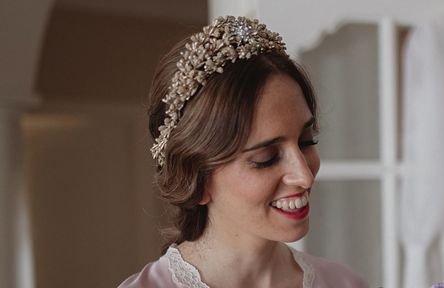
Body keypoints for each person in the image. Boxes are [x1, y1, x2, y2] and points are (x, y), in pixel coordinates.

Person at [118, 16, 368, 288]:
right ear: (198, 178)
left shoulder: (345, 283)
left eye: (306, 141)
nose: (304, 176)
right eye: (266, 159)